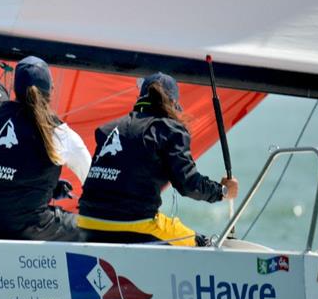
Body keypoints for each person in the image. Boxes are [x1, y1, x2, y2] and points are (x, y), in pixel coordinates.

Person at [77, 72, 240, 247]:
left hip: (87, 222)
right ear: (174, 103)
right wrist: (222, 191)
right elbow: (189, 185)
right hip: (133, 224)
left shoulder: (107, 129)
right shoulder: (170, 129)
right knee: (202, 243)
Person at [0, 56, 91, 241]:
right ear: (50, 90)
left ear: (16, 88)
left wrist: (49, 187)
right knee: (90, 228)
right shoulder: (58, 131)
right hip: (24, 227)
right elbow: (93, 182)